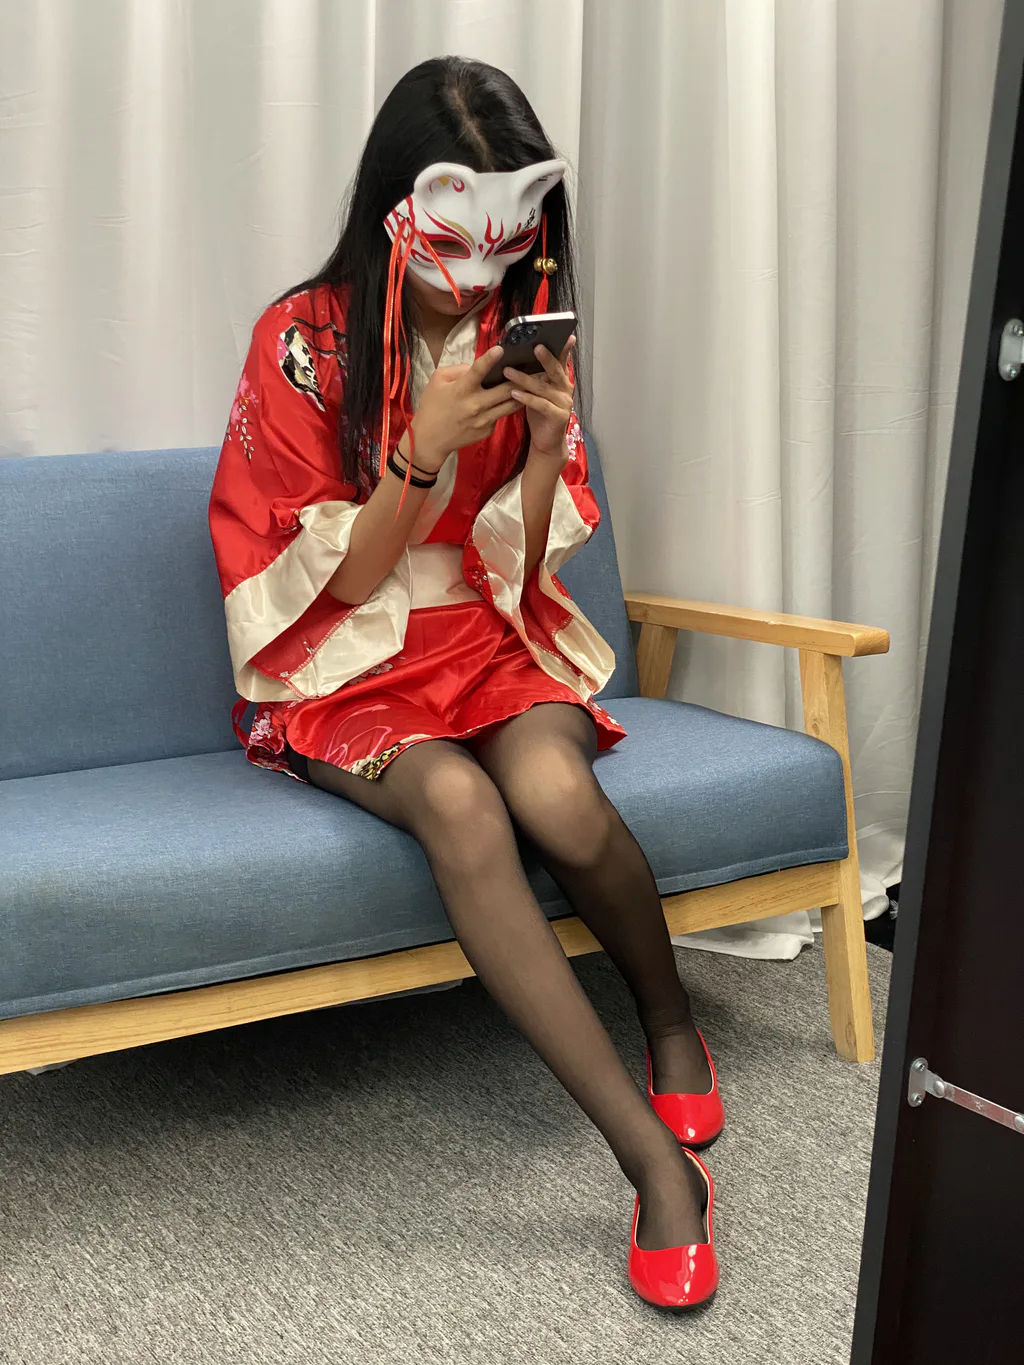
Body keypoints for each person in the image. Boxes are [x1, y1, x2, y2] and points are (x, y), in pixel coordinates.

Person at [209, 55, 724, 1311]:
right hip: (347, 659)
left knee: (554, 793)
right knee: (457, 803)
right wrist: (420, 458)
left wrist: (544, 449)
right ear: (391, 207)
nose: (480, 273)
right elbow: (327, 584)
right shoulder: (300, 341)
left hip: (488, 634)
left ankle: (670, 1022)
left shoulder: (519, 325)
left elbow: (529, 561)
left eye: (510, 239)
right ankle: (652, 1163)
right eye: (452, 241)